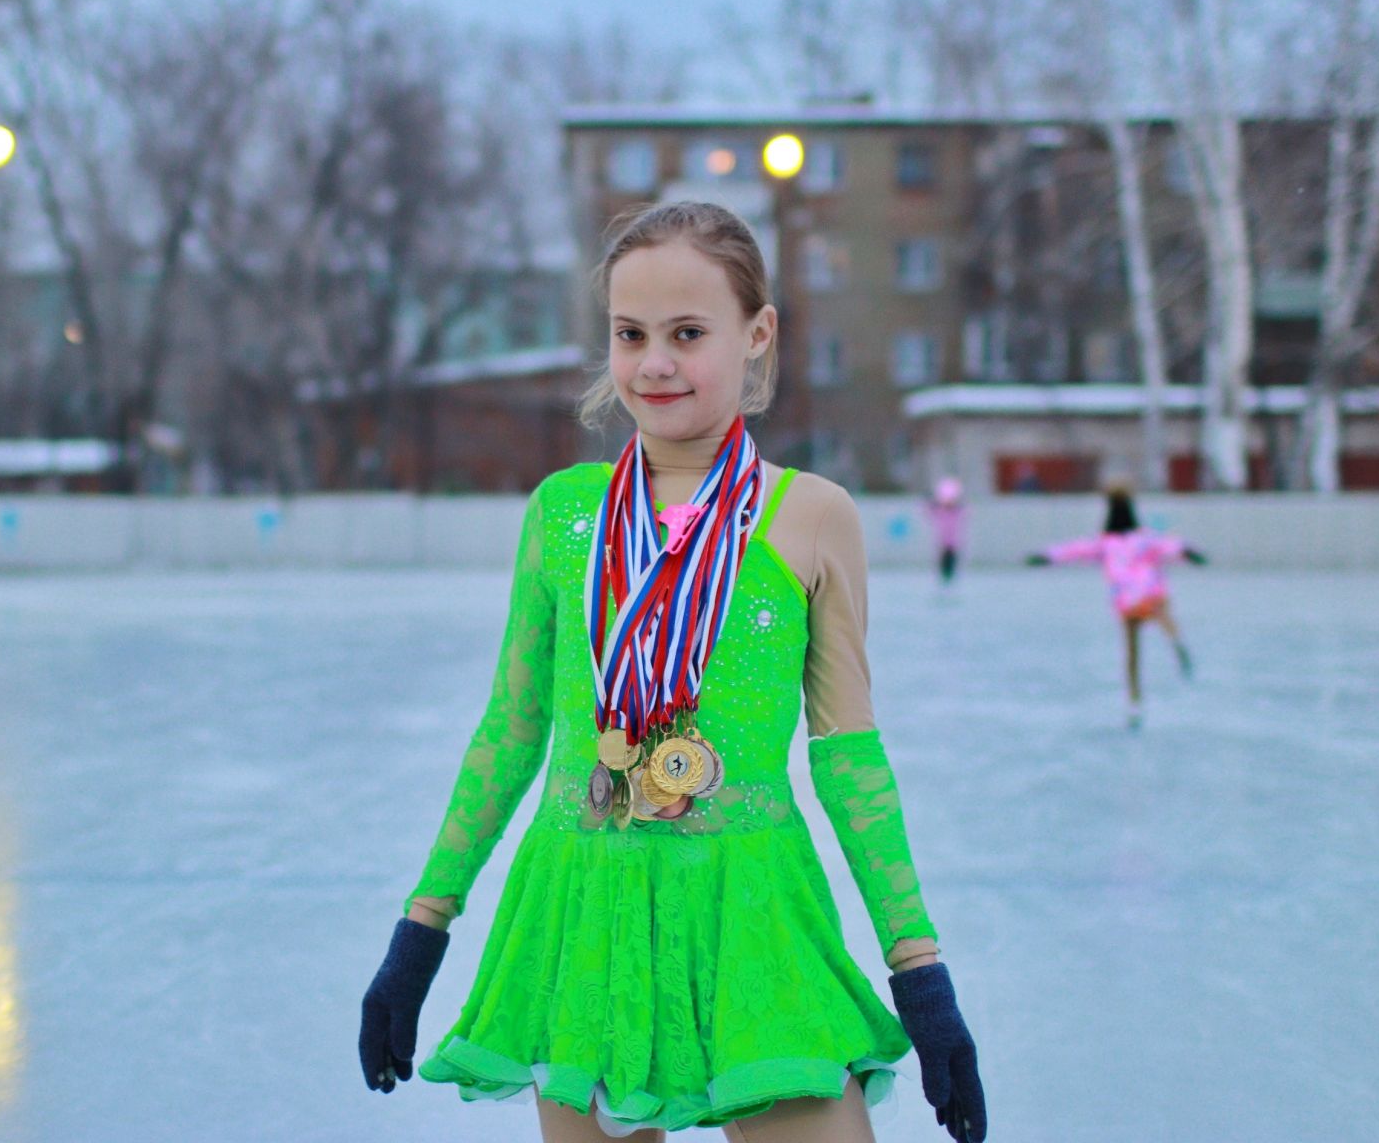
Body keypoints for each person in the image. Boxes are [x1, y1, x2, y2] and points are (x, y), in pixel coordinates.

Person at [360, 202, 985, 1143]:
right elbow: (512, 730)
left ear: (757, 333)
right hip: (586, 905)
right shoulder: (565, 516)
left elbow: (848, 754)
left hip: (753, 914)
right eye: (630, 334)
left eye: (688, 334)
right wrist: (422, 930)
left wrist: (919, 970)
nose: (654, 364)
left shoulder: (811, 517)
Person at [1026, 482, 1206, 727]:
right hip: (1150, 591)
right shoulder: (1144, 539)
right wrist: (1190, 553)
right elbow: (1170, 546)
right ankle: (1174, 638)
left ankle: (1134, 702)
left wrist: (1046, 556)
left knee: (1132, 653)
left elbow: (1075, 550)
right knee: (1163, 613)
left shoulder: (1106, 543)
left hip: (1126, 599)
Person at [924, 478, 966, 587]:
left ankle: (949, 579)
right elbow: (927, 510)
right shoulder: (940, 510)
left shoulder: (957, 511)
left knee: (951, 563)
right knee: (943, 564)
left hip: (953, 543)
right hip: (942, 543)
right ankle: (944, 580)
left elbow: (964, 511)